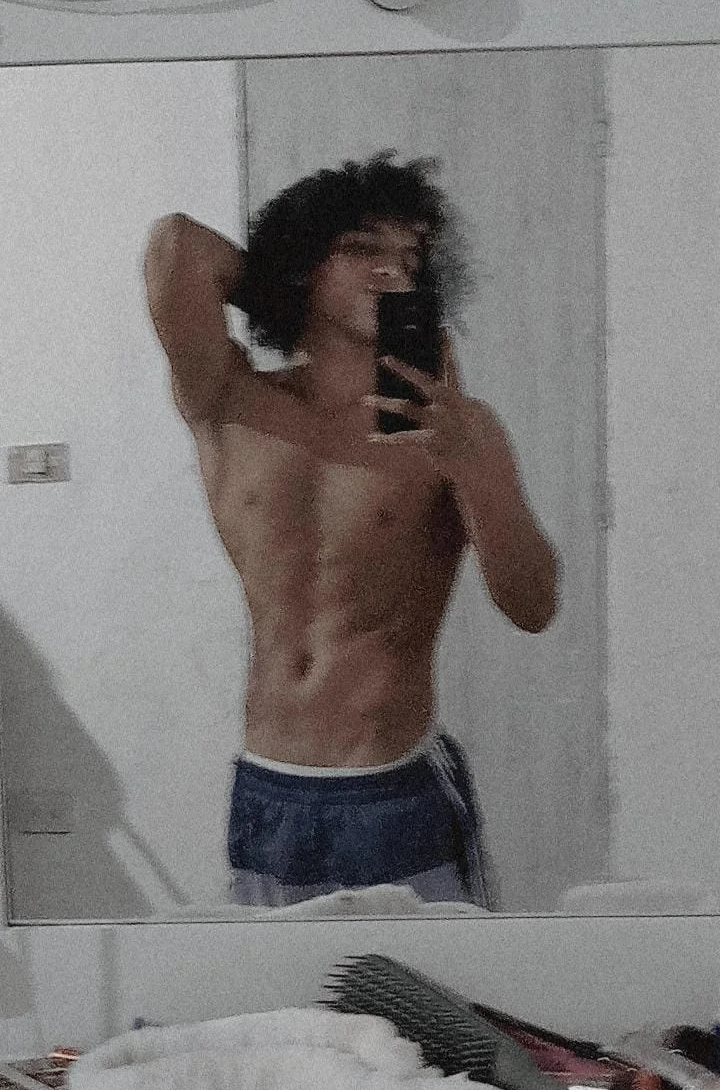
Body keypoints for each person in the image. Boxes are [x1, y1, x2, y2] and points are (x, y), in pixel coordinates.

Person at [143, 151, 558, 910]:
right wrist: (283, 284)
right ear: (306, 263)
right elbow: (176, 245)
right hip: (268, 788)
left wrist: (472, 469)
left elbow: (533, 606)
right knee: (282, 989)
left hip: (393, 788)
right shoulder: (230, 402)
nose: (393, 270)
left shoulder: (454, 430)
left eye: (411, 256)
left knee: (423, 990)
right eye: (364, 248)